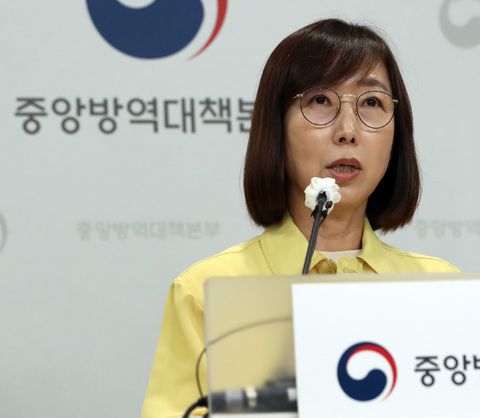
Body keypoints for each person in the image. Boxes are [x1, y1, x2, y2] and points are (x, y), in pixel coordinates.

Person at [141, 18, 458, 418]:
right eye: (320, 100)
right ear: (276, 127)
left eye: (371, 103)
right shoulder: (208, 291)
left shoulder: (439, 288)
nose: (348, 131)